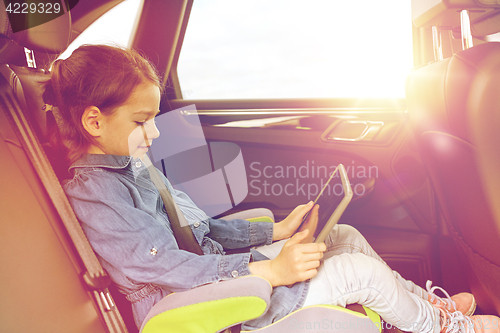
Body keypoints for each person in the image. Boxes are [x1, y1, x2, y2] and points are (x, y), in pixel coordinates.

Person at [43, 44, 499, 333]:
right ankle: (448, 331)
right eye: (142, 122)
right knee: (361, 274)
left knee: (346, 238)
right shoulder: (95, 196)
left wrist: (275, 232)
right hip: (203, 306)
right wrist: (269, 272)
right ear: (94, 121)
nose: (155, 133)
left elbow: (200, 229)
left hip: (216, 271)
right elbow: (168, 269)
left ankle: (422, 310)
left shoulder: (133, 167)